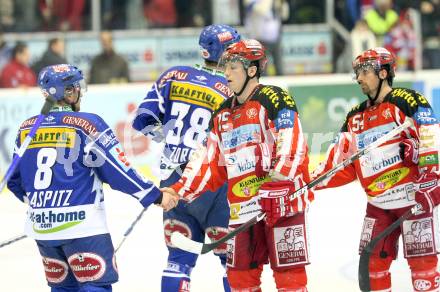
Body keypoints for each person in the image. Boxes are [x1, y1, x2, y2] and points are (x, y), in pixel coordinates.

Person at [7, 64, 178, 292]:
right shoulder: (87, 124)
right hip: (83, 229)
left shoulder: (26, 129)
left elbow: (13, 181)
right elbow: (118, 170)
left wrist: (42, 207)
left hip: (43, 229)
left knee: (63, 289)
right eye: (77, 87)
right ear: (67, 92)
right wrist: (155, 195)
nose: (80, 92)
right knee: (94, 287)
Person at [162, 39, 314, 291]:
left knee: (290, 280)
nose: (226, 73)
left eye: (233, 67)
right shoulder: (221, 114)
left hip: (283, 207)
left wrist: (278, 186)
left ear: (252, 70)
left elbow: (292, 143)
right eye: (226, 66)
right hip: (243, 212)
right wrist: (178, 190)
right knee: (240, 280)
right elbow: (208, 162)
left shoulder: (274, 98)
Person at [312, 47, 440, 291]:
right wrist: (304, 183)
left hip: (413, 201)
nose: (359, 78)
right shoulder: (354, 116)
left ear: (383, 73)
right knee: (371, 270)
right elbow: (337, 161)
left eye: (364, 72)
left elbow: (431, 135)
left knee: (424, 269)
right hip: (378, 206)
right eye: (357, 73)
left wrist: (431, 174)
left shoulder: (408, 100)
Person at [132, 24, 241, 292]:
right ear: (225, 52)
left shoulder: (173, 76)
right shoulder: (232, 87)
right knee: (232, 263)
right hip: (214, 183)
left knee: (178, 261)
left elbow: (142, 121)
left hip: (173, 182)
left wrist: (173, 142)